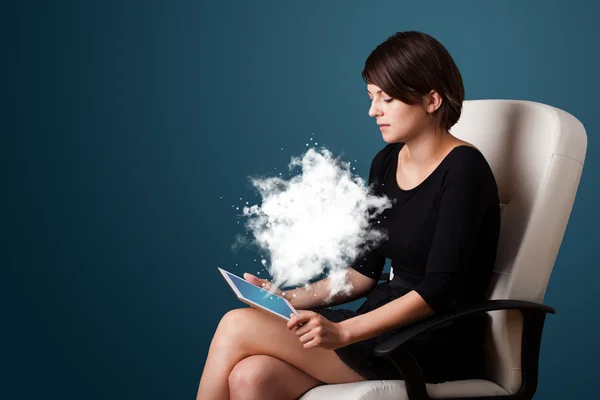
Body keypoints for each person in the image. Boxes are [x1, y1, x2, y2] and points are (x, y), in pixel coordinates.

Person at [196, 30, 500, 400]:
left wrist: (343, 333)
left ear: (432, 99)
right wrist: (286, 297)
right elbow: (362, 274)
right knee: (252, 377)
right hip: (376, 321)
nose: (373, 111)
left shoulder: (464, 169)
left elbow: (438, 290)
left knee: (235, 325)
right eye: (372, 98)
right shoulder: (387, 161)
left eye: (386, 98)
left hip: (429, 339)